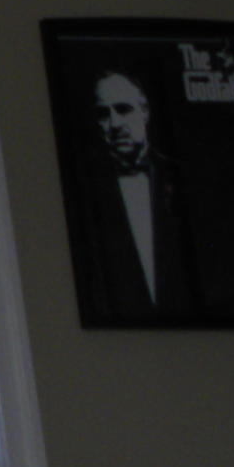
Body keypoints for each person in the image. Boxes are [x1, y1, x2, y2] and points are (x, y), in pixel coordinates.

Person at [84, 65, 194, 319]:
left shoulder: (181, 179)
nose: (114, 123)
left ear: (145, 112)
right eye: (103, 114)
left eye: (123, 109)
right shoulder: (91, 195)